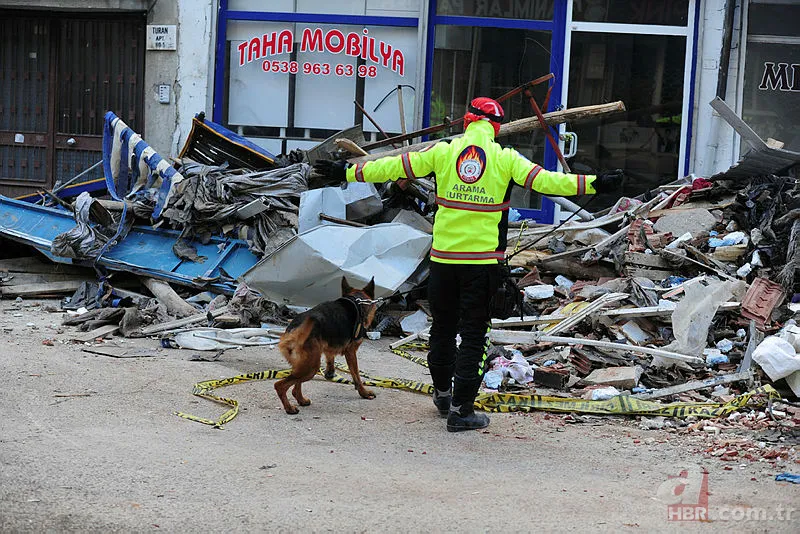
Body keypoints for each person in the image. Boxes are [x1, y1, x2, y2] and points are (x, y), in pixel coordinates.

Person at [314, 97, 622, 432]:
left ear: (466, 122)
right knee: (474, 335)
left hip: (443, 263)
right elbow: (549, 182)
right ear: (496, 129)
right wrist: (596, 182)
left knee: (442, 330)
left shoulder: (444, 152)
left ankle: (443, 396)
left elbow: (393, 166)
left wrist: (345, 170)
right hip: (482, 264)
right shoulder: (505, 159)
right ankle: (461, 411)